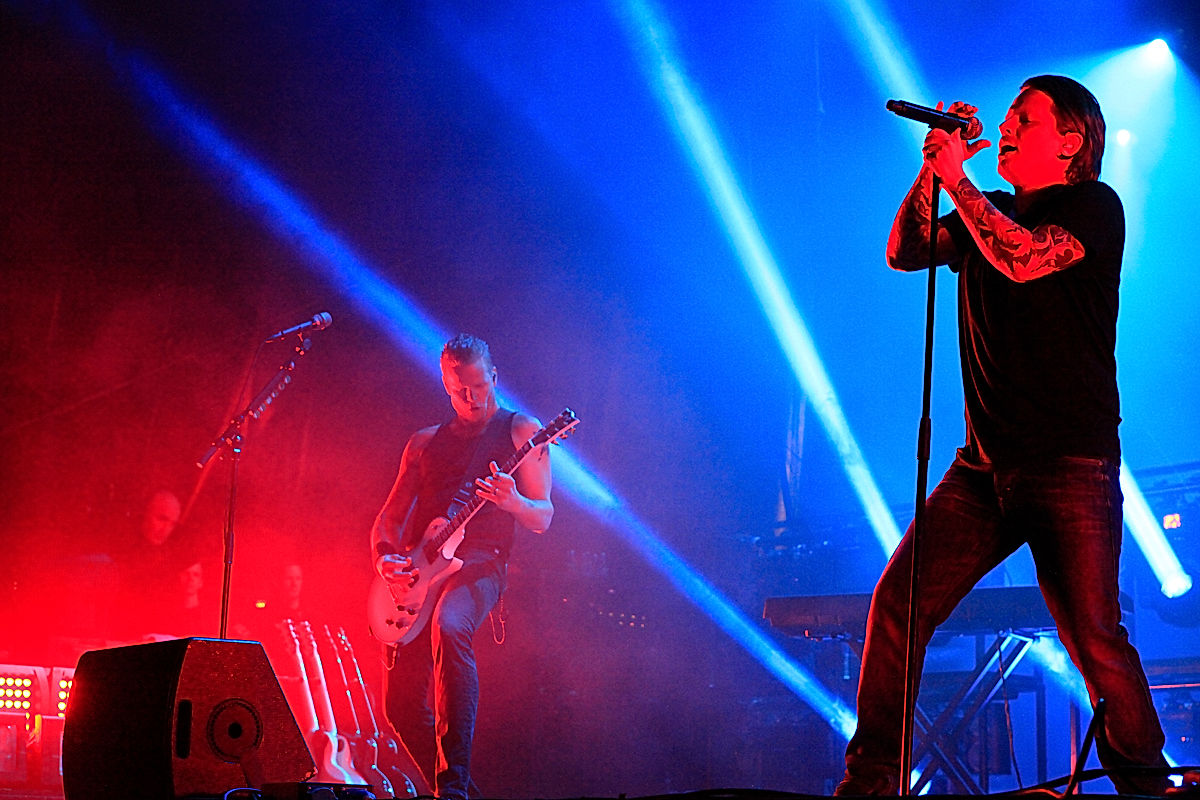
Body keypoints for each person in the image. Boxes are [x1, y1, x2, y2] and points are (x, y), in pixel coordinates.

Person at [835, 75, 1169, 796]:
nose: (1007, 126)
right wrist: (935, 171)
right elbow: (906, 249)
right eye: (1008, 115)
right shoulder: (983, 206)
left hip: (1069, 462)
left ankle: (1148, 788)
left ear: (1070, 142)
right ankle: (870, 784)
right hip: (982, 468)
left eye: (1024, 117)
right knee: (898, 604)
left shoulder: (1093, 206)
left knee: (1094, 638)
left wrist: (959, 180)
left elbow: (1021, 258)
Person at [371, 333, 554, 800]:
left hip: (481, 563)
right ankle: (461, 791)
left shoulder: (522, 431)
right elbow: (389, 518)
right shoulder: (423, 443)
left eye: (479, 386)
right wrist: (385, 558)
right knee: (399, 706)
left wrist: (513, 502)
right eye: (459, 390)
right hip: (422, 570)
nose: (471, 399)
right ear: (445, 386)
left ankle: (452, 792)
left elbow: (543, 516)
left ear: (494, 376)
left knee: (450, 625)